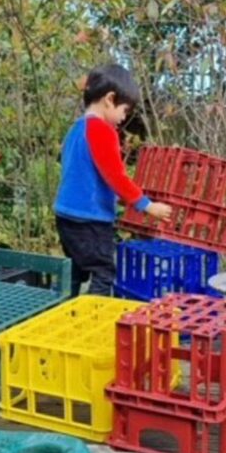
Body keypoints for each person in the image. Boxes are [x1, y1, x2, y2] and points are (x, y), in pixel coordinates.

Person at [54, 64, 172, 296]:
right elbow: (115, 176)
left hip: (66, 215)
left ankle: (63, 314)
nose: (124, 117)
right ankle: (93, 319)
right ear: (110, 99)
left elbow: (81, 173)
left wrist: (115, 198)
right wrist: (147, 205)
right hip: (90, 219)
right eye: (125, 110)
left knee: (75, 271)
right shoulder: (103, 130)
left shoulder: (76, 129)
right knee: (104, 272)